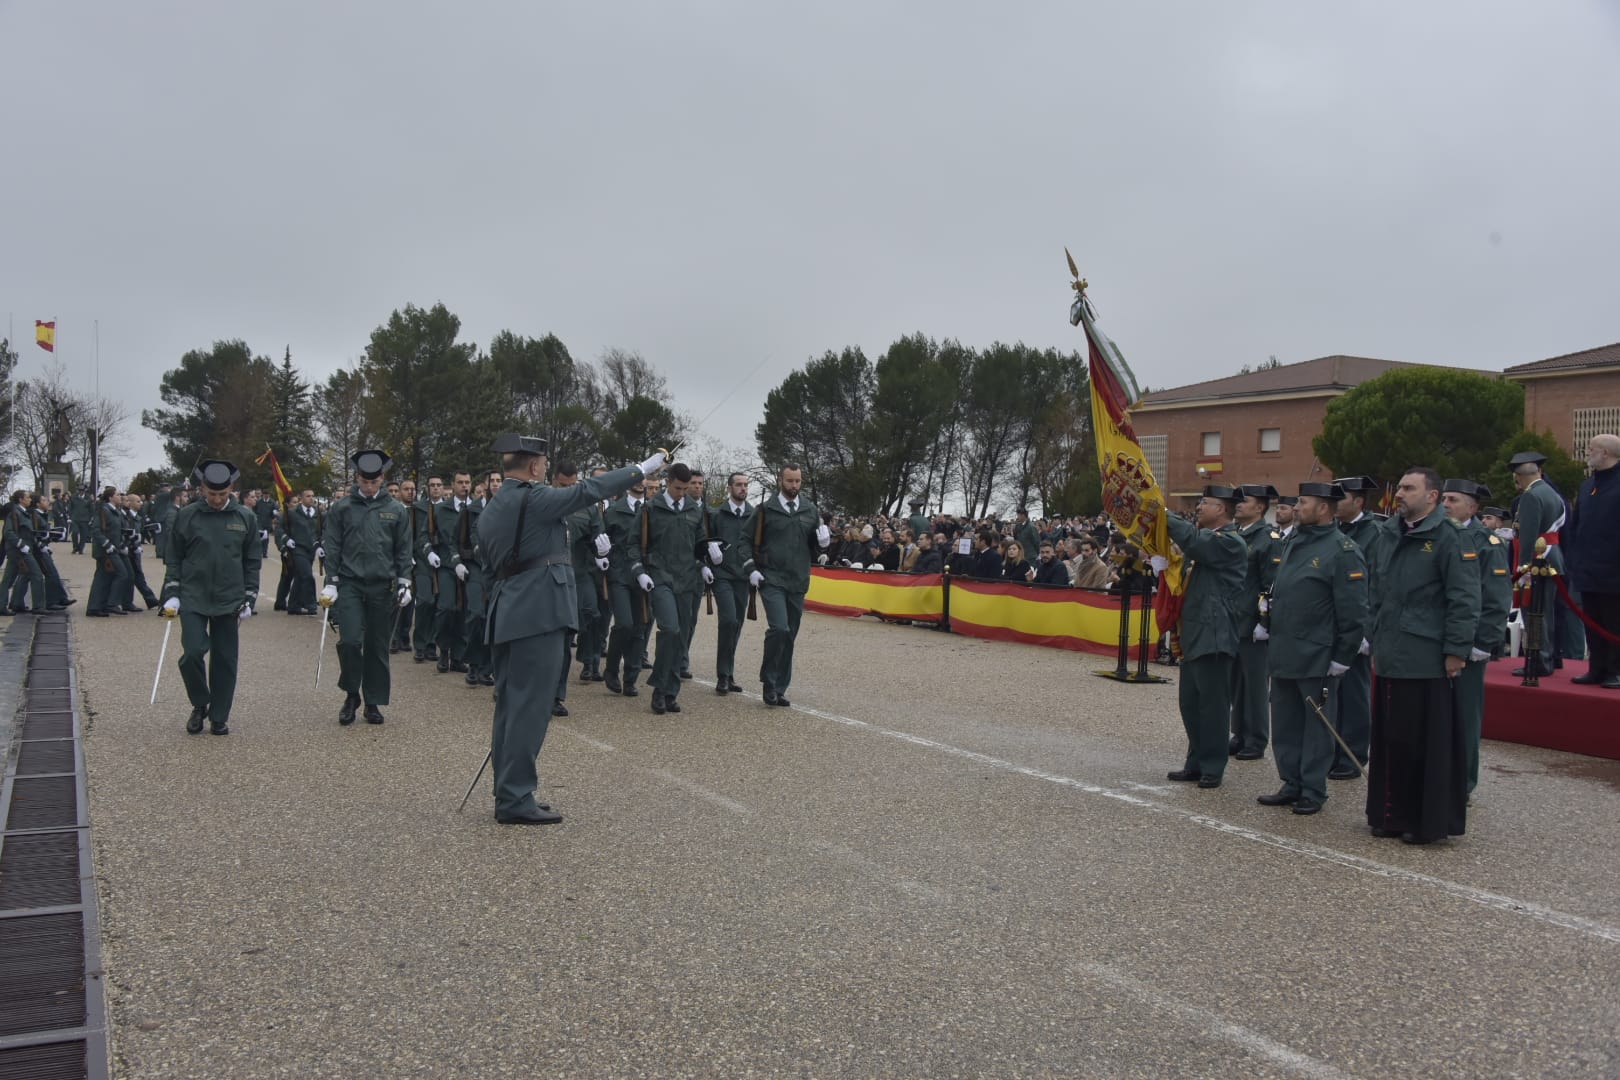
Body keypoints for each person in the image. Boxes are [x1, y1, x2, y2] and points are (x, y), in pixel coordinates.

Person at [477, 434, 664, 824]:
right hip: (537, 613)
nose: (546, 469)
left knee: (512, 706)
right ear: (533, 467)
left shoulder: (497, 505)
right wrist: (641, 469)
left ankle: (508, 788)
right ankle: (514, 798)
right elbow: (590, 490)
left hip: (512, 611)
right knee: (530, 708)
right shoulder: (534, 498)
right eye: (543, 463)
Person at [1366, 467, 1481, 844]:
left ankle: (1423, 820)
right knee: (1391, 739)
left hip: (1426, 654)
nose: (1399, 494)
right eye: (1399, 487)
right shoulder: (1389, 533)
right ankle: (1389, 814)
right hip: (1390, 650)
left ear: (1432, 496)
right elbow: (1376, 591)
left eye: (1408, 488)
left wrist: (1455, 651)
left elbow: (1464, 599)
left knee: (1422, 743)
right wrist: (1374, 636)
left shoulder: (1449, 537)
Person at [1257, 481, 1368, 815]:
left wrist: (1342, 657)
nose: (1297, 506)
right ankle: (1290, 781)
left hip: (1317, 654)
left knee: (1317, 726)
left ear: (1323, 508)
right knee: (1286, 722)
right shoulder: (1294, 542)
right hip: (1285, 649)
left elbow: (1353, 610)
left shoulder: (1342, 550)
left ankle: (1313, 788)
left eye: (1303, 502)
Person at [160, 460, 262, 736]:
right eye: (211, 494)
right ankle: (200, 703)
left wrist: (250, 597)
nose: (217, 500)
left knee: (225, 659)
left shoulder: (245, 517)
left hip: (230, 597)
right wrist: (171, 592)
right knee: (192, 652)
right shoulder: (187, 516)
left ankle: (219, 715)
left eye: (222, 494)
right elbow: (174, 557)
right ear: (202, 488)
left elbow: (252, 561)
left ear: (231, 488)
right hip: (193, 595)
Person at [319, 450, 412, 726]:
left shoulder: (395, 510)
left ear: (382, 479)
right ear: (357, 478)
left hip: (381, 586)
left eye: (373, 481)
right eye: (364, 480)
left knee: (377, 646)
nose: (369, 486)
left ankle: (373, 701)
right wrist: (331, 582)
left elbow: (403, 549)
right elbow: (332, 546)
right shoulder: (342, 508)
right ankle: (351, 695)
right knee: (349, 641)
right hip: (349, 584)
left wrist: (405, 581)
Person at [1164, 484, 1248, 788]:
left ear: (1222, 509)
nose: (1199, 507)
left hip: (1214, 634)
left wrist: (1164, 515)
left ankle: (1213, 766)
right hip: (1194, 633)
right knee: (1190, 704)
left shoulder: (1230, 543)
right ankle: (1195, 762)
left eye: (1205, 503)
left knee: (1212, 706)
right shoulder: (1206, 541)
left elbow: (1193, 542)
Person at [738, 463, 833, 706]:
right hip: (772, 578)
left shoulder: (810, 510)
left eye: (798, 481)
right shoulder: (765, 510)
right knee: (779, 628)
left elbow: (815, 544)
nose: (794, 486)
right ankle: (769, 681)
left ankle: (780, 687)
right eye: (790, 481)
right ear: (781, 480)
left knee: (789, 634)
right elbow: (744, 541)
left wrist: (823, 545)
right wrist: (750, 569)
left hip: (798, 579)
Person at [1441, 478, 1513, 795]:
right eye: (1443, 498)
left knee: (1465, 715)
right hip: (1438, 640)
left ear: (1472, 507)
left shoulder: (1487, 543)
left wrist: (1483, 643)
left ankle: (1463, 782)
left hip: (1469, 645)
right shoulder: (1440, 536)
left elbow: (1496, 599)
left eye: (1453, 500)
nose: (1445, 505)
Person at [628, 462, 708, 714]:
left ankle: (671, 692)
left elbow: (700, 543)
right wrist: (639, 572)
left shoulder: (694, 510)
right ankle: (659, 688)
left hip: (687, 580)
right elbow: (633, 545)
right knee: (670, 630)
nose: (682, 493)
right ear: (667, 482)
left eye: (685, 489)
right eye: (677, 488)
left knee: (681, 636)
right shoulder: (650, 509)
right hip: (659, 577)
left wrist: (707, 560)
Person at [1330, 475, 1387, 779]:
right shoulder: (1333, 530)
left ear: (1359, 502)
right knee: (1332, 694)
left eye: (1342, 497)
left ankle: (1352, 754)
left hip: (1357, 625)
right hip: (1332, 625)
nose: (1335, 502)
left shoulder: (1373, 533)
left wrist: (1367, 631)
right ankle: (1332, 749)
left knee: (1354, 694)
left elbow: (1375, 585)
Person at [1231, 483, 1282, 761]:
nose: (1238, 504)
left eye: (1245, 500)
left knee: (1255, 684)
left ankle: (1257, 738)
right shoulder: (1238, 534)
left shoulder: (1268, 537)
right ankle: (1238, 733)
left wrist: (1265, 621)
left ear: (1260, 507)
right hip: (1235, 620)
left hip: (1253, 622)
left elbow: (1271, 584)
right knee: (1237, 682)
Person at [1566, 434, 1620, 688]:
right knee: (1593, 622)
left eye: (1592, 449)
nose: (1588, 453)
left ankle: (1615, 670)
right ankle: (1596, 668)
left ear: (1606, 453)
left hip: (1614, 571)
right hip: (1588, 569)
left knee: (1614, 623)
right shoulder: (1587, 486)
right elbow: (1577, 525)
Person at [1508, 450, 1568, 678]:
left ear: (1518, 477)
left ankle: (1538, 660)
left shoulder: (1531, 496)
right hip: (1552, 555)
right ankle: (1547, 656)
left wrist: (1523, 567)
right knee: (1546, 612)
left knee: (1534, 611)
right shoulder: (1551, 492)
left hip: (1537, 559)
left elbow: (1528, 535)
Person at [602, 472, 654, 697]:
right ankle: (611, 669)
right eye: (636, 478)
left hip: (644, 575)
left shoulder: (653, 510)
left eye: (643, 479)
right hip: (619, 574)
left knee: (640, 627)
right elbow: (602, 539)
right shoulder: (614, 511)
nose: (640, 483)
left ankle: (631, 677)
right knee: (624, 624)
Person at [710, 472, 752, 694]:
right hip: (722, 574)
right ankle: (723, 675)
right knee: (727, 620)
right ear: (729, 488)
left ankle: (728, 671)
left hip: (743, 577)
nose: (743, 488)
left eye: (745, 485)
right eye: (738, 485)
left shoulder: (753, 515)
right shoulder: (718, 515)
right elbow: (706, 541)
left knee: (736, 624)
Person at [410, 477, 444, 663]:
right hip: (422, 560)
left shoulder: (446, 508)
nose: (436, 488)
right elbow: (411, 532)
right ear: (427, 488)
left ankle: (432, 645)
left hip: (442, 561)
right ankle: (420, 644)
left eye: (439, 485)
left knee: (438, 604)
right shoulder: (418, 508)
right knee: (424, 601)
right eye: (433, 485)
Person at [86, 488, 134, 617]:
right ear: (110, 497)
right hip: (106, 550)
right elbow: (96, 530)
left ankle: (95, 607)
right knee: (122, 574)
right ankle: (111, 604)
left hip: (113, 548)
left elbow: (116, 531)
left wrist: (122, 544)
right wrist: (107, 544)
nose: (120, 497)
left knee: (103, 578)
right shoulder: (104, 510)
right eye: (117, 495)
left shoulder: (115, 511)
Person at [274, 489, 322, 616]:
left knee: (300, 577)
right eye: (308, 496)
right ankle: (311, 604)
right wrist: (286, 539)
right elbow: (279, 529)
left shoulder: (318, 513)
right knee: (307, 575)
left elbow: (320, 531)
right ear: (301, 498)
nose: (311, 498)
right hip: (297, 549)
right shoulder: (292, 512)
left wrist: (320, 545)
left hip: (311, 549)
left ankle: (293, 606)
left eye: (313, 496)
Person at [2, 491, 46, 615]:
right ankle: (38, 606)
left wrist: (40, 545)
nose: (30, 500)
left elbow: (29, 534)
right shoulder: (15, 514)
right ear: (21, 500)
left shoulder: (23, 513)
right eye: (27, 498)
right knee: (36, 575)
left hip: (21, 549)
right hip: (19, 551)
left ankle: (3, 605)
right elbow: (8, 532)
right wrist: (21, 545)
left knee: (8, 580)